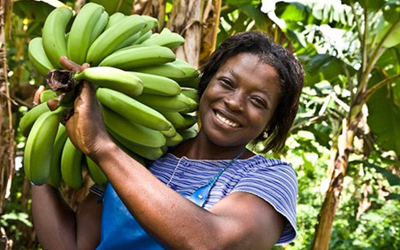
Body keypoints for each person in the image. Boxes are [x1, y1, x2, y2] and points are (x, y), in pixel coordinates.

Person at [31, 31, 304, 249]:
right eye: (226, 83)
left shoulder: (268, 177)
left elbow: (211, 243)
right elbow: (74, 245)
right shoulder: (143, 151)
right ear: (205, 84)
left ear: (271, 124)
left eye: (257, 101)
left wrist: (102, 147)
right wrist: (38, 149)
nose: (234, 103)